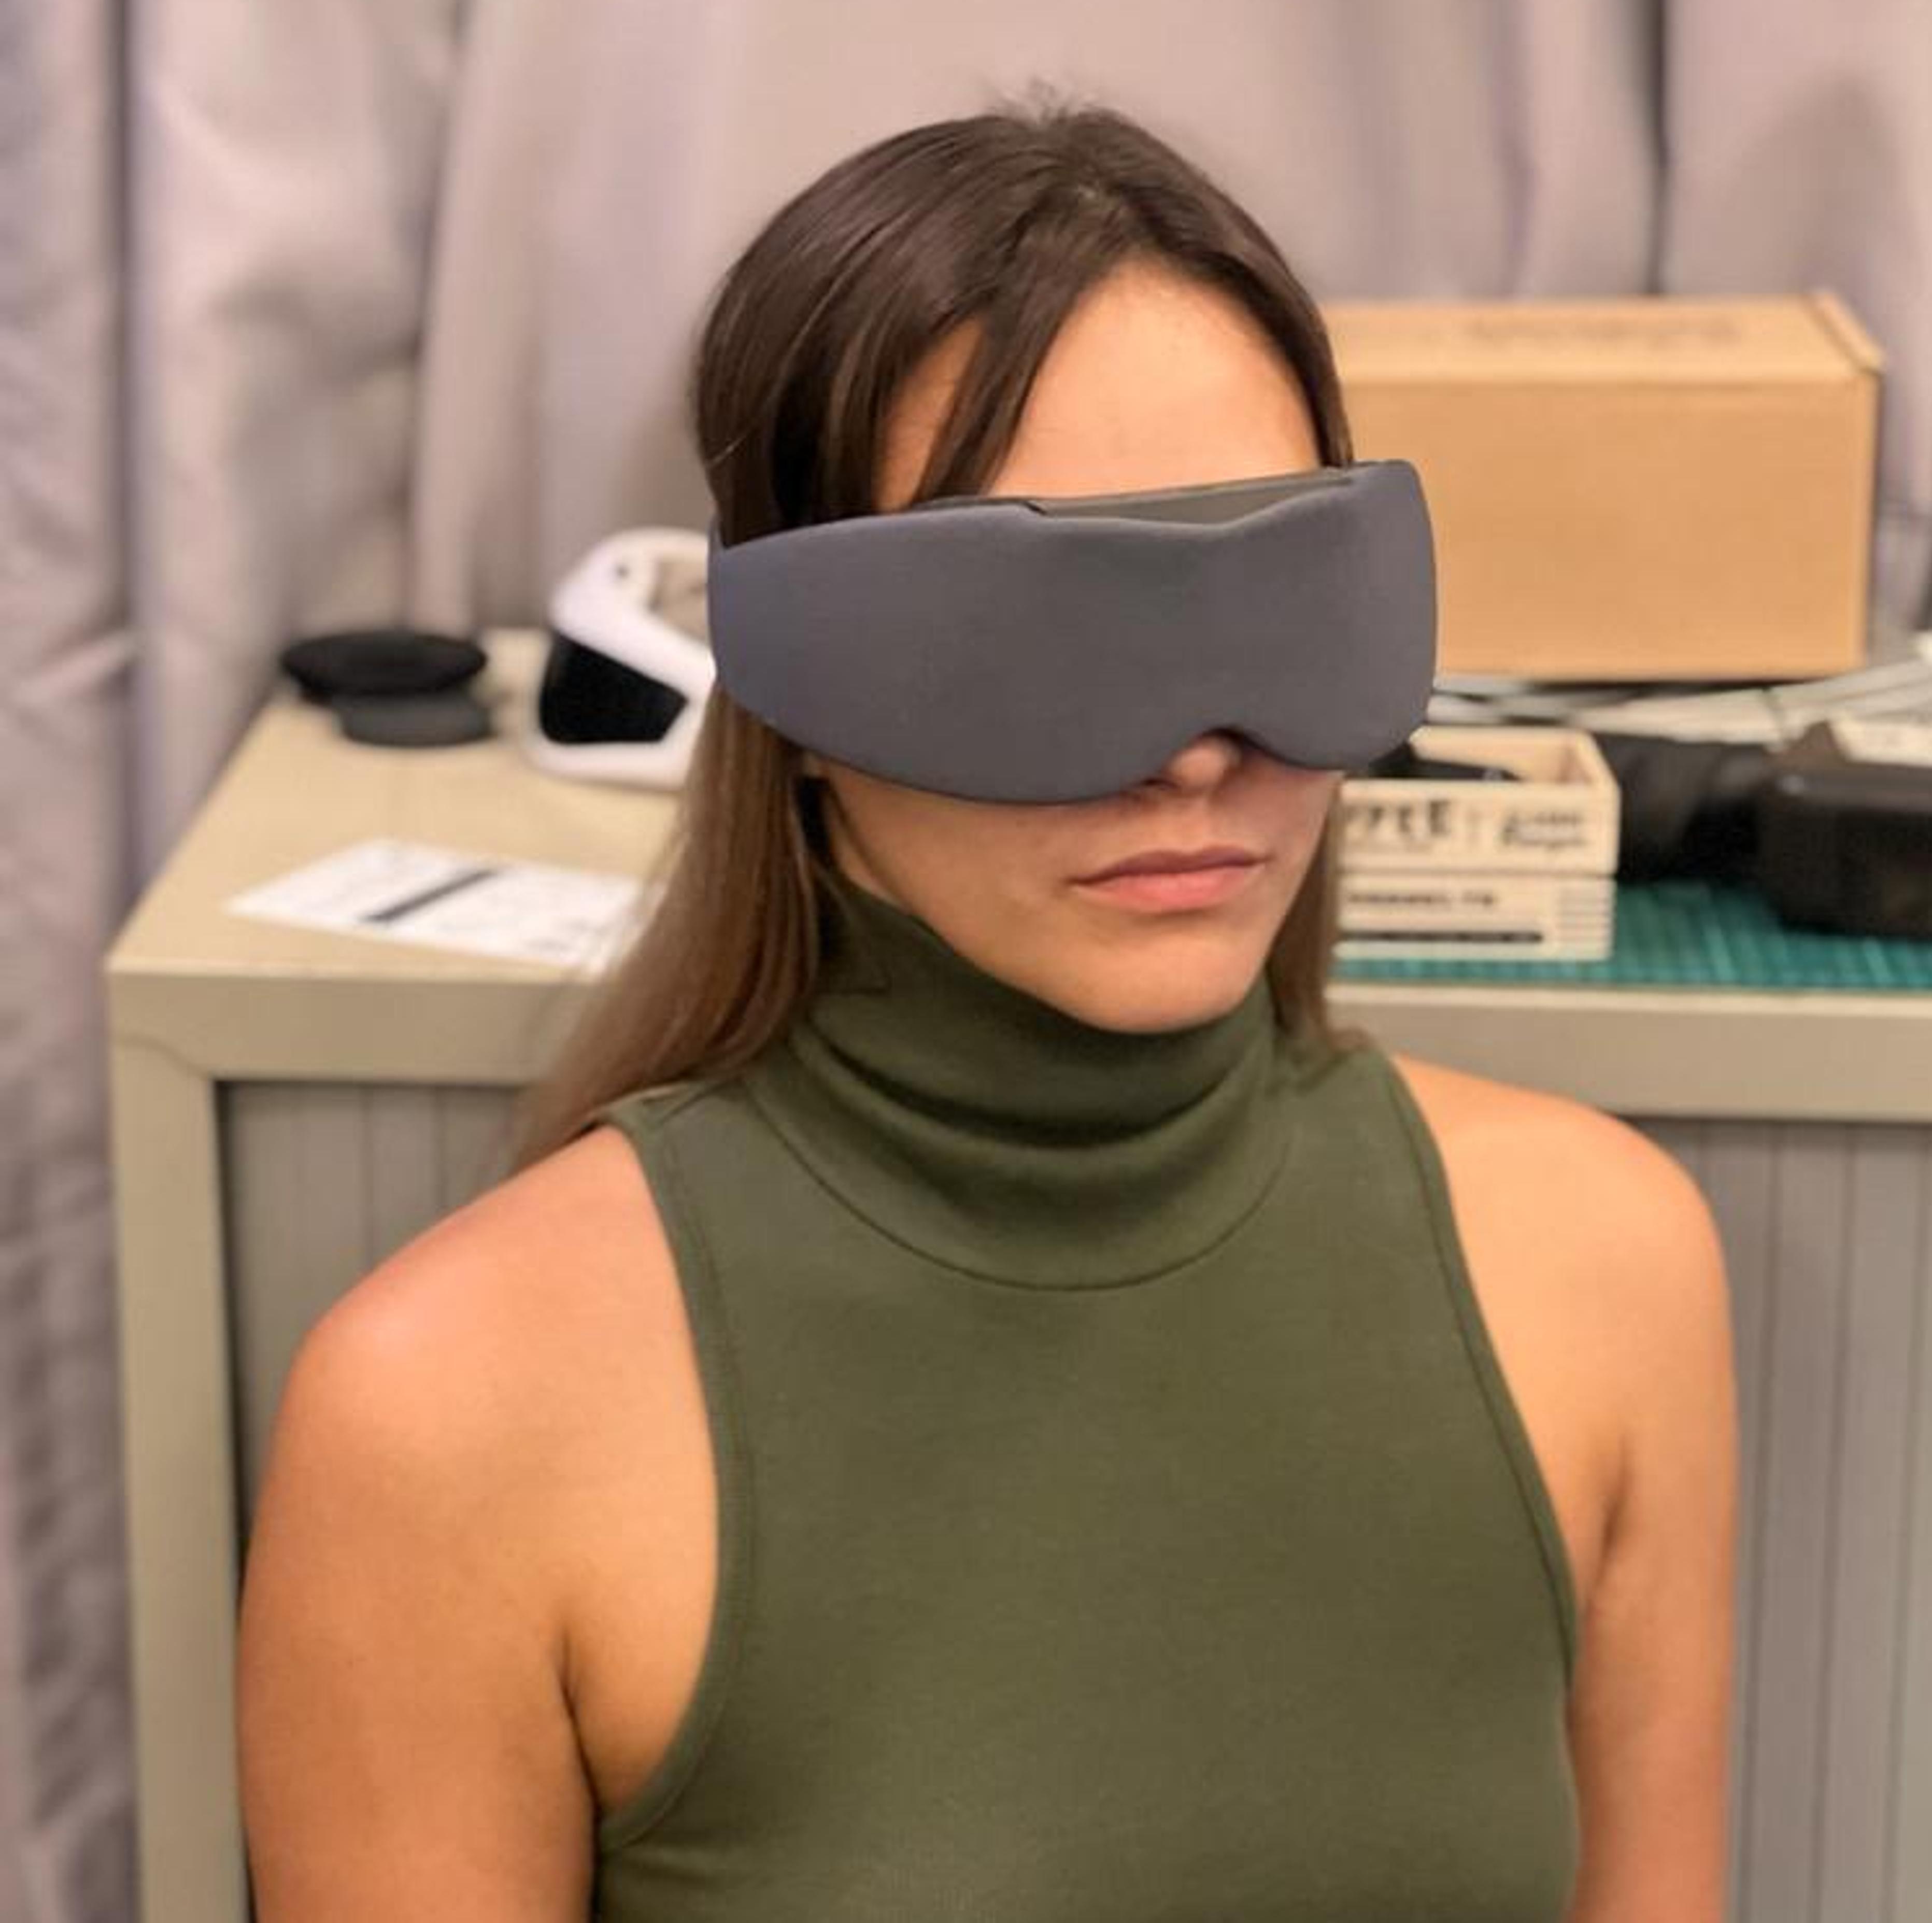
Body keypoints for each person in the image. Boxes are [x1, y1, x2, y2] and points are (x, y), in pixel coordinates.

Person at [236, 94, 1738, 1922]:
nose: (1198, 756)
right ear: (795, 685)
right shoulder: (449, 1419)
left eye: (1278, 601)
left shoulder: (1603, 1268)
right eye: (1048, 636)